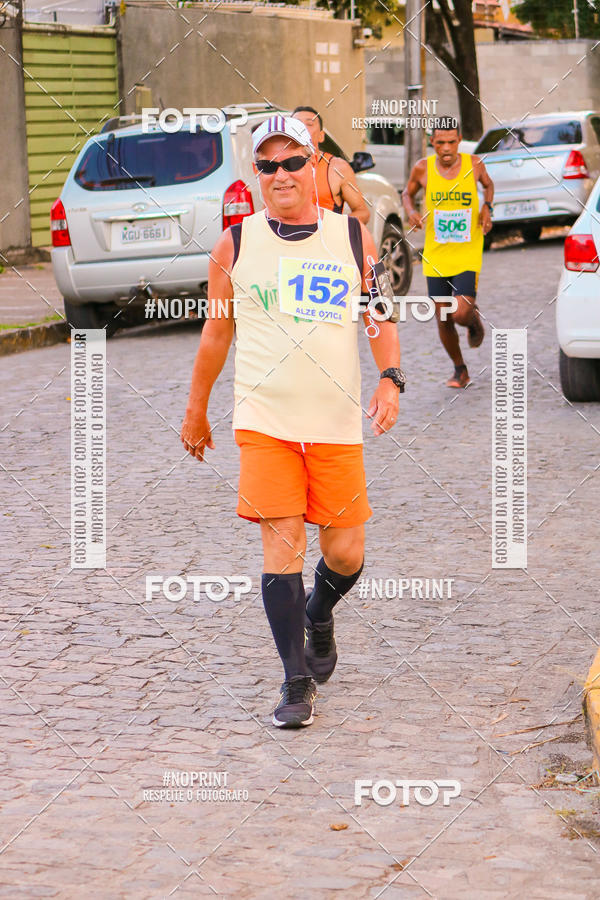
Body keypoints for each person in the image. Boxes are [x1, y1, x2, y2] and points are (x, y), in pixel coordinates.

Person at [180, 115, 404, 728]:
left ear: (316, 166)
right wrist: (197, 408)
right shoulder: (235, 244)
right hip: (265, 418)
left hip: (334, 422)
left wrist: (390, 377)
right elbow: (216, 331)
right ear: (258, 175)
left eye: (293, 162)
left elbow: (378, 317)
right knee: (281, 542)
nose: (282, 174)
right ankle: (295, 681)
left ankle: (320, 612)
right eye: (269, 165)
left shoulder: (352, 238)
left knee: (347, 552)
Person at [402, 116, 494, 388]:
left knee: (460, 313)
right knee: (443, 317)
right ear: (432, 142)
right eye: (440, 142)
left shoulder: (474, 164)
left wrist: (487, 207)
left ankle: (472, 320)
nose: (446, 148)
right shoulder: (422, 169)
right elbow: (407, 194)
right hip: (436, 253)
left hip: (467, 249)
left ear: (459, 141)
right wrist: (410, 211)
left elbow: (488, 185)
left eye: (451, 142)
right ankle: (460, 370)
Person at [292, 106, 370, 225]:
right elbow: (266, 213)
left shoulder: (337, 168)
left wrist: (332, 226)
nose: (302, 128)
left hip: (325, 241)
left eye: (309, 124)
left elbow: (363, 213)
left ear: (321, 136)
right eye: (296, 124)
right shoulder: (276, 166)